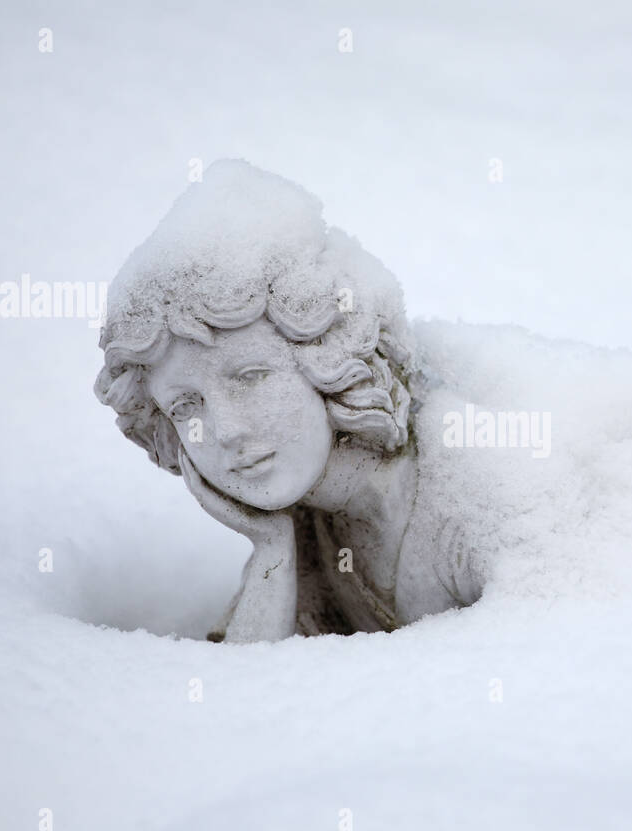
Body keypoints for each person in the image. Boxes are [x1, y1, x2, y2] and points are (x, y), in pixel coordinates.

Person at [94, 160, 482, 640]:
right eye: (186, 407)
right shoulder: (304, 519)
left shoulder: (474, 494)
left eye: (250, 377)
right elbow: (247, 698)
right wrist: (271, 552)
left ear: (326, 356)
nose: (228, 430)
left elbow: (562, 673)